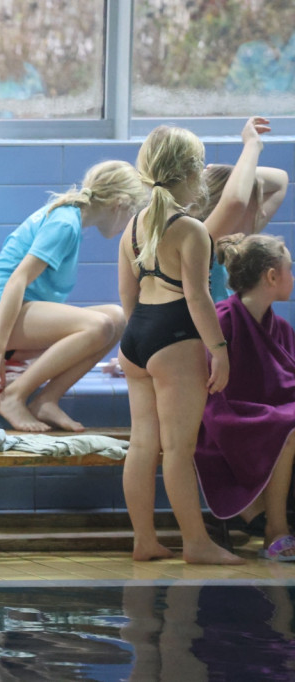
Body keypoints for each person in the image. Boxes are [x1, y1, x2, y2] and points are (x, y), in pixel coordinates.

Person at [118, 125, 243, 565]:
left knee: (142, 444)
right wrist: (220, 349)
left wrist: (136, 339)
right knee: (178, 449)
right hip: (175, 334)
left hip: (136, 337)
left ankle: (144, 540)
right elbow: (198, 296)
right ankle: (195, 542)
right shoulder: (191, 229)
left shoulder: (134, 227)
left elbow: (127, 297)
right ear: (192, 172)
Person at [0, 160, 148, 432]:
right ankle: (12, 396)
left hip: (12, 316)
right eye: (133, 212)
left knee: (117, 318)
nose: (128, 224)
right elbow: (17, 280)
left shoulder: (71, 219)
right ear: (120, 203)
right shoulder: (65, 223)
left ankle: (47, 400)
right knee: (98, 325)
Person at [195, 234, 295, 561]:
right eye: (289, 270)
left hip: (263, 414)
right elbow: (210, 393)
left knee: (286, 420)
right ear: (271, 276)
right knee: (288, 426)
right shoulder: (222, 320)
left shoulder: (279, 326)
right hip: (224, 418)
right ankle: (275, 530)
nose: (292, 278)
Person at [192, 116, 289, 302]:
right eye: (255, 205)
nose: (262, 213)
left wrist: (228, 173)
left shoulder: (225, 245)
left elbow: (281, 180)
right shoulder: (201, 241)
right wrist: (252, 144)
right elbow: (235, 200)